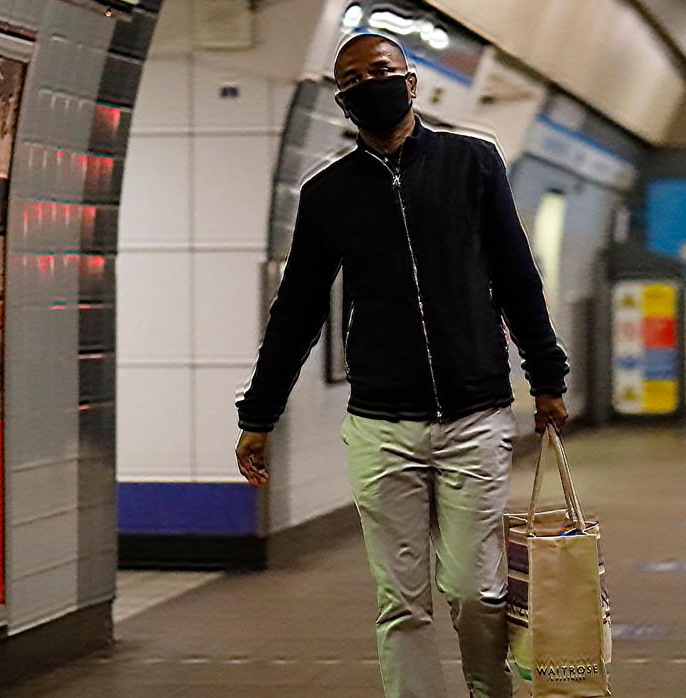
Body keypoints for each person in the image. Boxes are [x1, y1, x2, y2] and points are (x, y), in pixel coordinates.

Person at [232, 33, 569, 698]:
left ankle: (486, 689)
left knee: (476, 590)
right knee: (402, 602)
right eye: (352, 79)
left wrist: (547, 377)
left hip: (474, 416)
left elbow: (515, 277)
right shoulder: (328, 194)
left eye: (381, 72)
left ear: (410, 83)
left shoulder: (472, 164)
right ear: (343, 103)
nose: (369, 84)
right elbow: (297, 310)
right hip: (382, 427)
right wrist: (258, 415)